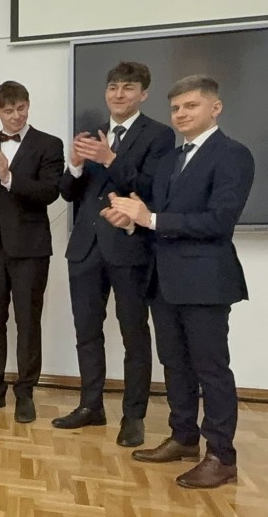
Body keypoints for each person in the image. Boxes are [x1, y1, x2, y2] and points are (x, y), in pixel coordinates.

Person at [105, 75, 254, 489]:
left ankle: (221, 457)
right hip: (164, 279)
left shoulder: (233, 155)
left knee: (211, 370)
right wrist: (131, 220)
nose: (181, 114)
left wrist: (150, 218)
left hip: (206, 281)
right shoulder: (170, 159)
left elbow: (219, 221)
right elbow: (155, 215)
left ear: (215, 108)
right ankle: (184, 437)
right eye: (175, 109)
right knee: (174, 365)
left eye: (191, 106)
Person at [53, 62, 175, 446]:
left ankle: (133, 416)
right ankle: (91, 405)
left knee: (134, 335)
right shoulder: (91, 135)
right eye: (113, 87)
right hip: (85, 248)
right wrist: (74, 167)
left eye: (128, 87)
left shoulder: (159, 135)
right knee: (87, 332)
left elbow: (151, 189)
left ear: (144, 93)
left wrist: (109, 159)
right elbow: (68, 194)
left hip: (130, 247)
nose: (119, 94)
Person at [0, 80, 64, 423]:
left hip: (30, 247)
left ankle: (26, 393)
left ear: (28, 105)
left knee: (28, 322)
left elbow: (49, 192)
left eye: (21, 108)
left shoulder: (49, 144)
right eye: (9, 110)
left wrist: (8, 179)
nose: (17, 116)